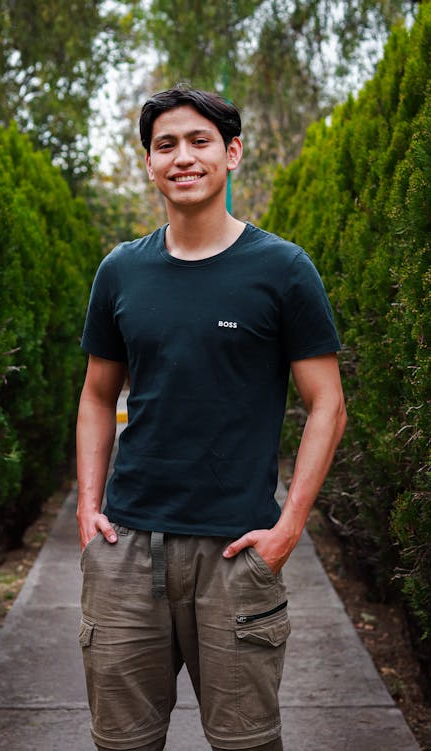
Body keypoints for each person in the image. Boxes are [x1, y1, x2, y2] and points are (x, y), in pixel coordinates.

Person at [76, 85, 347, 751]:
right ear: (149, 163)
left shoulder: (282, 269)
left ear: (232, 153)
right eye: (165, 144)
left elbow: (328, 403)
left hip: (236, 552)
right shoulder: (121, 271)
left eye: (199, 141)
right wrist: (88, 508)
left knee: (246, 742)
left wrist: (288, 528)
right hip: (127, 549)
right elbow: (94, 395)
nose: (183, 156)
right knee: (121, 741)